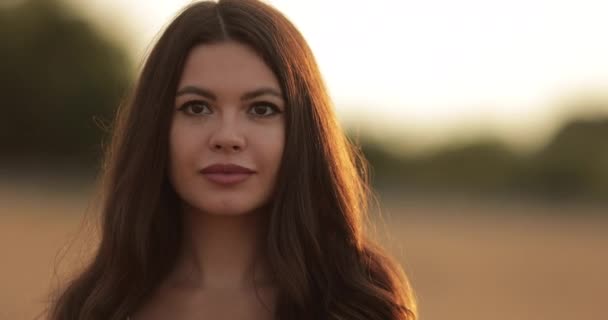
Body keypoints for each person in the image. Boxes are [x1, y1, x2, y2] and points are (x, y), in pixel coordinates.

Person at [48, 0, 418, 319]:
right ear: (156, 127)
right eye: (196, 107)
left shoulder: (358, 303)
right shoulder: (95, 308)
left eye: (261, 109)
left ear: (303, 132)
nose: (227, 137)